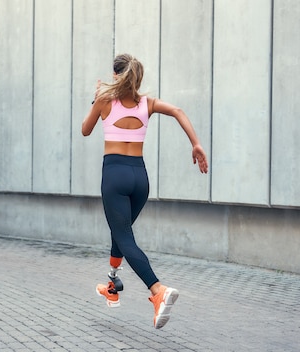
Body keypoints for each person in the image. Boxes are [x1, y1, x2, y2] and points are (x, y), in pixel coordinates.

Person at [81, 53, 208, 329]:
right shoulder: (146, 104)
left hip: (115, 175)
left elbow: (85, 130)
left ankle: (157, 290)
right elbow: (178, 111)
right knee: (121, 231)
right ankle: (112, 284)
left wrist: (97, 98)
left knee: (124, 236)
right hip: (140, 178)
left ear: (116, 76)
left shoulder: (104, 101)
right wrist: (196, 144)